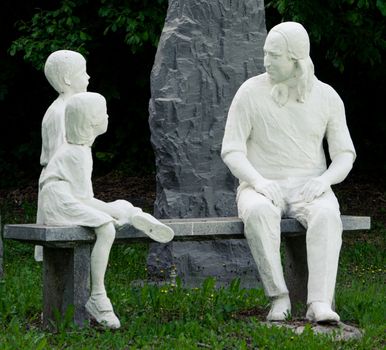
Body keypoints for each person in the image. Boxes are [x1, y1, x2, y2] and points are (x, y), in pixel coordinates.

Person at [221, 22, 355, 323]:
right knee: (258, 212)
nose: (266, 61)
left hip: (311, 186)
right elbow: (231, 150)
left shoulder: (327, 97)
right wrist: (256, 181)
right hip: (261, 185)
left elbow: (345, 154)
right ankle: (279, 298)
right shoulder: (250, 92)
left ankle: (319, 303)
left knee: (327, 216)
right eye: (265, 54)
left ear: (295, 60)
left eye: (274, 56)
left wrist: (324, 180)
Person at [38, 92, 174, 328]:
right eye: (103, 113)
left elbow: (84, 197)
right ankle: (97, 296)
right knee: (106, 227)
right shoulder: (77, 154)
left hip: (65, 197)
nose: (108, 116)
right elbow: (84, 199)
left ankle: (134, 213)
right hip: (57, 202)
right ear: (90, 122)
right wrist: (108, 212)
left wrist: (112, 209)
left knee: (119, 207)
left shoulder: (80, 150)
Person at [35, 50, 90, 261]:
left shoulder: (69, 108)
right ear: (68, 79)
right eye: (83, 72)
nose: (88, 77)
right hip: (60, 185)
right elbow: (62, 158)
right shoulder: (61, 112)